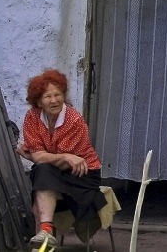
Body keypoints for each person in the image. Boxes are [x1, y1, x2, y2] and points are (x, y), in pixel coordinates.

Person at [16, 68, 107, 249]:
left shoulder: (74, 119)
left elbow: (60, 163)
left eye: (58, 95)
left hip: (82, 173)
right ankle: (46, 233)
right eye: (48, 96)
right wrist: (63, 156)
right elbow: (46, 157)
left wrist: (34, 156)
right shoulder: (32, 117)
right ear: (38, 102)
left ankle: (43, 239)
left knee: (42, 172)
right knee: (42, 172)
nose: (54, 100)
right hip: (53, 171)